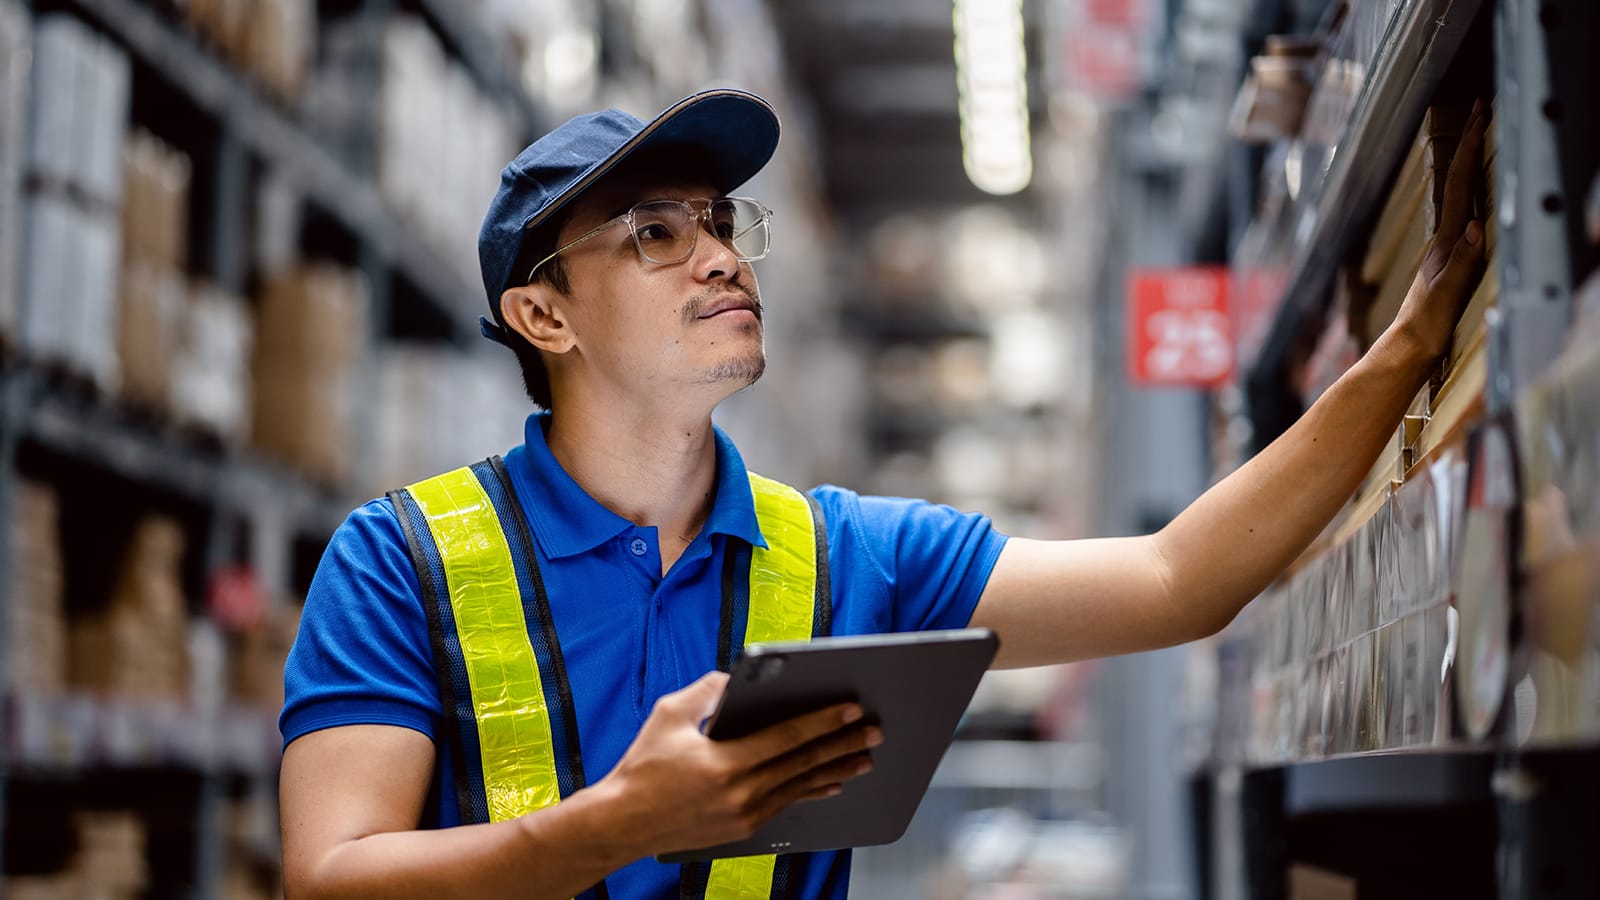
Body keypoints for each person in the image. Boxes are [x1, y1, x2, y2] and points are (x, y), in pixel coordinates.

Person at [278, 89, 1489, 899]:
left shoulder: (850, 554)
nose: (718, 255)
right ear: (543, 316)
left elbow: (1179, 580)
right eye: (651, 234)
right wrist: (617, 823)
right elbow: (328, 875)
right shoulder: (403, 558)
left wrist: (1407, 344)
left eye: (717, 224)